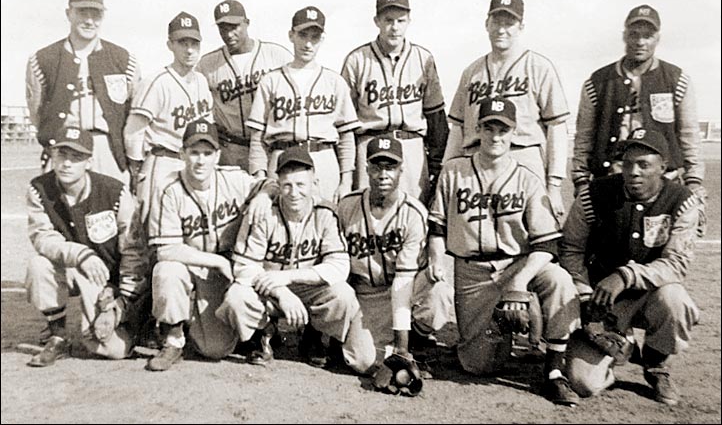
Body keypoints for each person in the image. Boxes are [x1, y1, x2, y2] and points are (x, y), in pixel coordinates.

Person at [428, 97, 580, 406]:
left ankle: (554, 369)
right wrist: (434, 256)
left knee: (559, 280)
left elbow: (547, 244)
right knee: (478, 366)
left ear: (513, 134)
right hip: (473, 273)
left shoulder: (527, 178)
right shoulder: (454, 171)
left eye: (503, 130)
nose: (496, 137)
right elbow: (437, 225)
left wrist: (518, 283)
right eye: (489, 128)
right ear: (477, 130)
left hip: (518, 263)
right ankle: (502, 323)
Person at [561, 128, 700, 406]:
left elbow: (677, 263)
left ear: (663, 167)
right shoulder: (593, 195)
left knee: (676, 300)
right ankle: (622, 348)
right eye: (627, 164)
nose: (633, 171)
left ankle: (655, 364)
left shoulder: (682, 201)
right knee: (584, 384)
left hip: (651, 296)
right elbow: (570, 249)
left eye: (643, 164)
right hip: (601, 300)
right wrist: (585, 294)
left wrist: (627, 275)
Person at [218, 146, 376, 374]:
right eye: (287, 185)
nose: (294, 192)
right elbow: (243, 267)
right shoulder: (264, 212)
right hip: (268, 290)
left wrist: (287, 277)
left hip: (306, 288)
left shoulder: (326, 213)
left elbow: (340, 267)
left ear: (314, 184)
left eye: (301, 185)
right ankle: (261, 333)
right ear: (278, 185)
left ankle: (315, 334)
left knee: (343, 294)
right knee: (236, 296)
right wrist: (282, 292)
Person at [144, 119, 274, 371]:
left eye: (207, 153)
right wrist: (216, 260)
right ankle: (173, 338)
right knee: (167, 270)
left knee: (214, 349)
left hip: (224, 274)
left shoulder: (233, 179)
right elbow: (166, 249)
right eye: (194, 153)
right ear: (182, 154)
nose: (200, 161)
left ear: (217, 155)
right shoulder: (168, 188)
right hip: (193, 266)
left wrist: (264, 195)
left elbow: (271, 183)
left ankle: (212, 322)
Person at [571, 4, 706, 233]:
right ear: (624, 36)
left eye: (648, 35)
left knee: (662, 252)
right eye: (634, 34)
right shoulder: (598, 82)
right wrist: (581, 181)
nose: (640, 41)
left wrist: (694, 183)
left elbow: (689, 136)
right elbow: (584, 138)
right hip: (610, 182)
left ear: (658, 38)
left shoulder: (677, 80)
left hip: (664, 184)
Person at [25, 126, 149, 367]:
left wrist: (122, 300)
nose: (67, 164)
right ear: (52, 155)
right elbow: (42, 237)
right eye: (62, 155)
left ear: (89, 162)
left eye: (76, 157)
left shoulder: (114, 192)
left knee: (111, 349)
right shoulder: (38, 189)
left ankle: (136, 324)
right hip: (74, 267)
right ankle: (57, 335)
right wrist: (81, 255)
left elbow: (134, 250)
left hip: (108, 275)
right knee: (38, 266)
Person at [442, 0, 569, 218]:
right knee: (476, 235)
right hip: (476, 161)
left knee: (530, 235)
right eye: (496, 22)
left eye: (509, 23)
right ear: (486, 24)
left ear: (521, 26)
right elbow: (458, 128)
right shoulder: (472, 72)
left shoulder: (539, 67)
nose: (502, 29)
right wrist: (447, 173)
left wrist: (554, 185)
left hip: (524, 157)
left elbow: (557, 126)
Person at [337, 136, 454, 366]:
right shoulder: (347, 206)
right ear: (367, 168)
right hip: (367, 294)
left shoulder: (414, 212)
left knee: (439, 291)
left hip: (405, 288)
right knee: (363, 363)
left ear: (401, 170)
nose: (383, 174)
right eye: (377, 166)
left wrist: (401, 347)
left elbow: (404, 280)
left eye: (390, 167)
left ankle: (415, 340)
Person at [341, 0, 448, 204]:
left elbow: (436, 117)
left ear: (409, 21)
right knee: (366, 215)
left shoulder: (422, 58)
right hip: (369, 145)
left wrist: (437, 165)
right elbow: (344, 122)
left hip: (411, 147)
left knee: (414, 210)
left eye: (401, 20)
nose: (394, 27)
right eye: (388, 20)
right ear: (377, 21)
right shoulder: (357, 60)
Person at [26, 0, 139, 183]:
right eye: (82, 12)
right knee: (61, 211)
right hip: (64, 147)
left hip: (107, 149)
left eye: (95, 14)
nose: (89, 21)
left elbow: (133, 113)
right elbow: (37, 112)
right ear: (69, 13)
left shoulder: (123, 59)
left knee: (111, 209)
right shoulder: (43, 59)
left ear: (103, 17)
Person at [247, 6, 360, 202]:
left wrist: (346, 181)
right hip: (282, 157)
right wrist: (260, 178)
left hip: (323, 158)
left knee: (326, 219)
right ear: (291, 35)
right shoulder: (271, 80)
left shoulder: (334, 82)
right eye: (302, 35)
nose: (308, 43)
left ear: (322, 39)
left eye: (314, 37)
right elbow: (257, 137)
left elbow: (346, 137)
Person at [123, 11, 214, 220]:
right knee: (153, 222)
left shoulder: (201, 81)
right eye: (182, 43)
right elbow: (134, 131)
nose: (189, 50)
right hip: (163, 161)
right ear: (170, 45)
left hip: (193, 162)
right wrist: (137, 170)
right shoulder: (156, 82)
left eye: (194, 43)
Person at [197, 0, 292, 170]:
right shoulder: (207, 65)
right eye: (223, 28)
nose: (228, 33)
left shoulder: (276, 55)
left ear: (247, 23)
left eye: (234, 27)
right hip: (231, 149)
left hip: (271, 148)